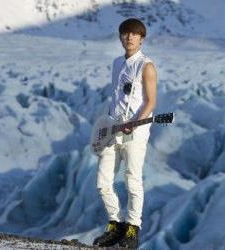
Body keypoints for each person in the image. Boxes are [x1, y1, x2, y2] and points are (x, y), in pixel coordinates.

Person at [92, 17, 157, 249]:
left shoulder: (146, 66)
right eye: (125, 33)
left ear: (142, 38)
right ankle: (114, 224)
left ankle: (132, 229)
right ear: (120, 37)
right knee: (103, 181)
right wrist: (107, 125)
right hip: (113, 130)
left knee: (132, 179)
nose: (129, 37)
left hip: (135, 132)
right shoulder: (117, 63)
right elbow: (116, 99)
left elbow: (150, 102)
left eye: (134, 34)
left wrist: (136, 123)